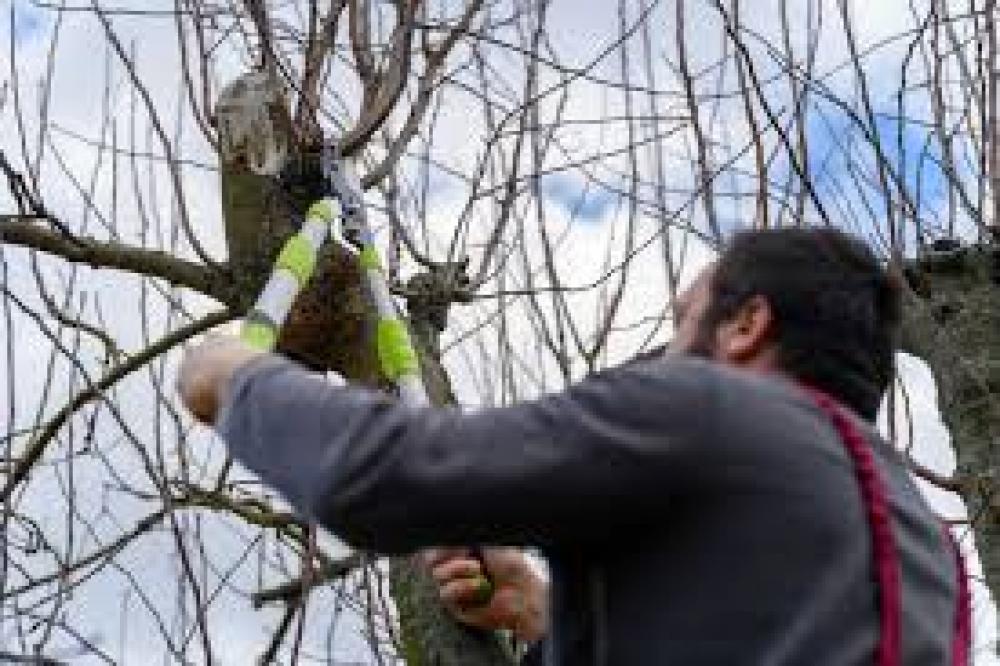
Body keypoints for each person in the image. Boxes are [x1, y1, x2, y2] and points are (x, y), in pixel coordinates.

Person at [179, 228, 969, 665]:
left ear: (745, 325)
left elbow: (384, 475)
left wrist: (241, 381)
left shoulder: (709, 405)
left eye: (682, 316)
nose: (671, 344)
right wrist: (550, 618)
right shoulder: (927, 553)